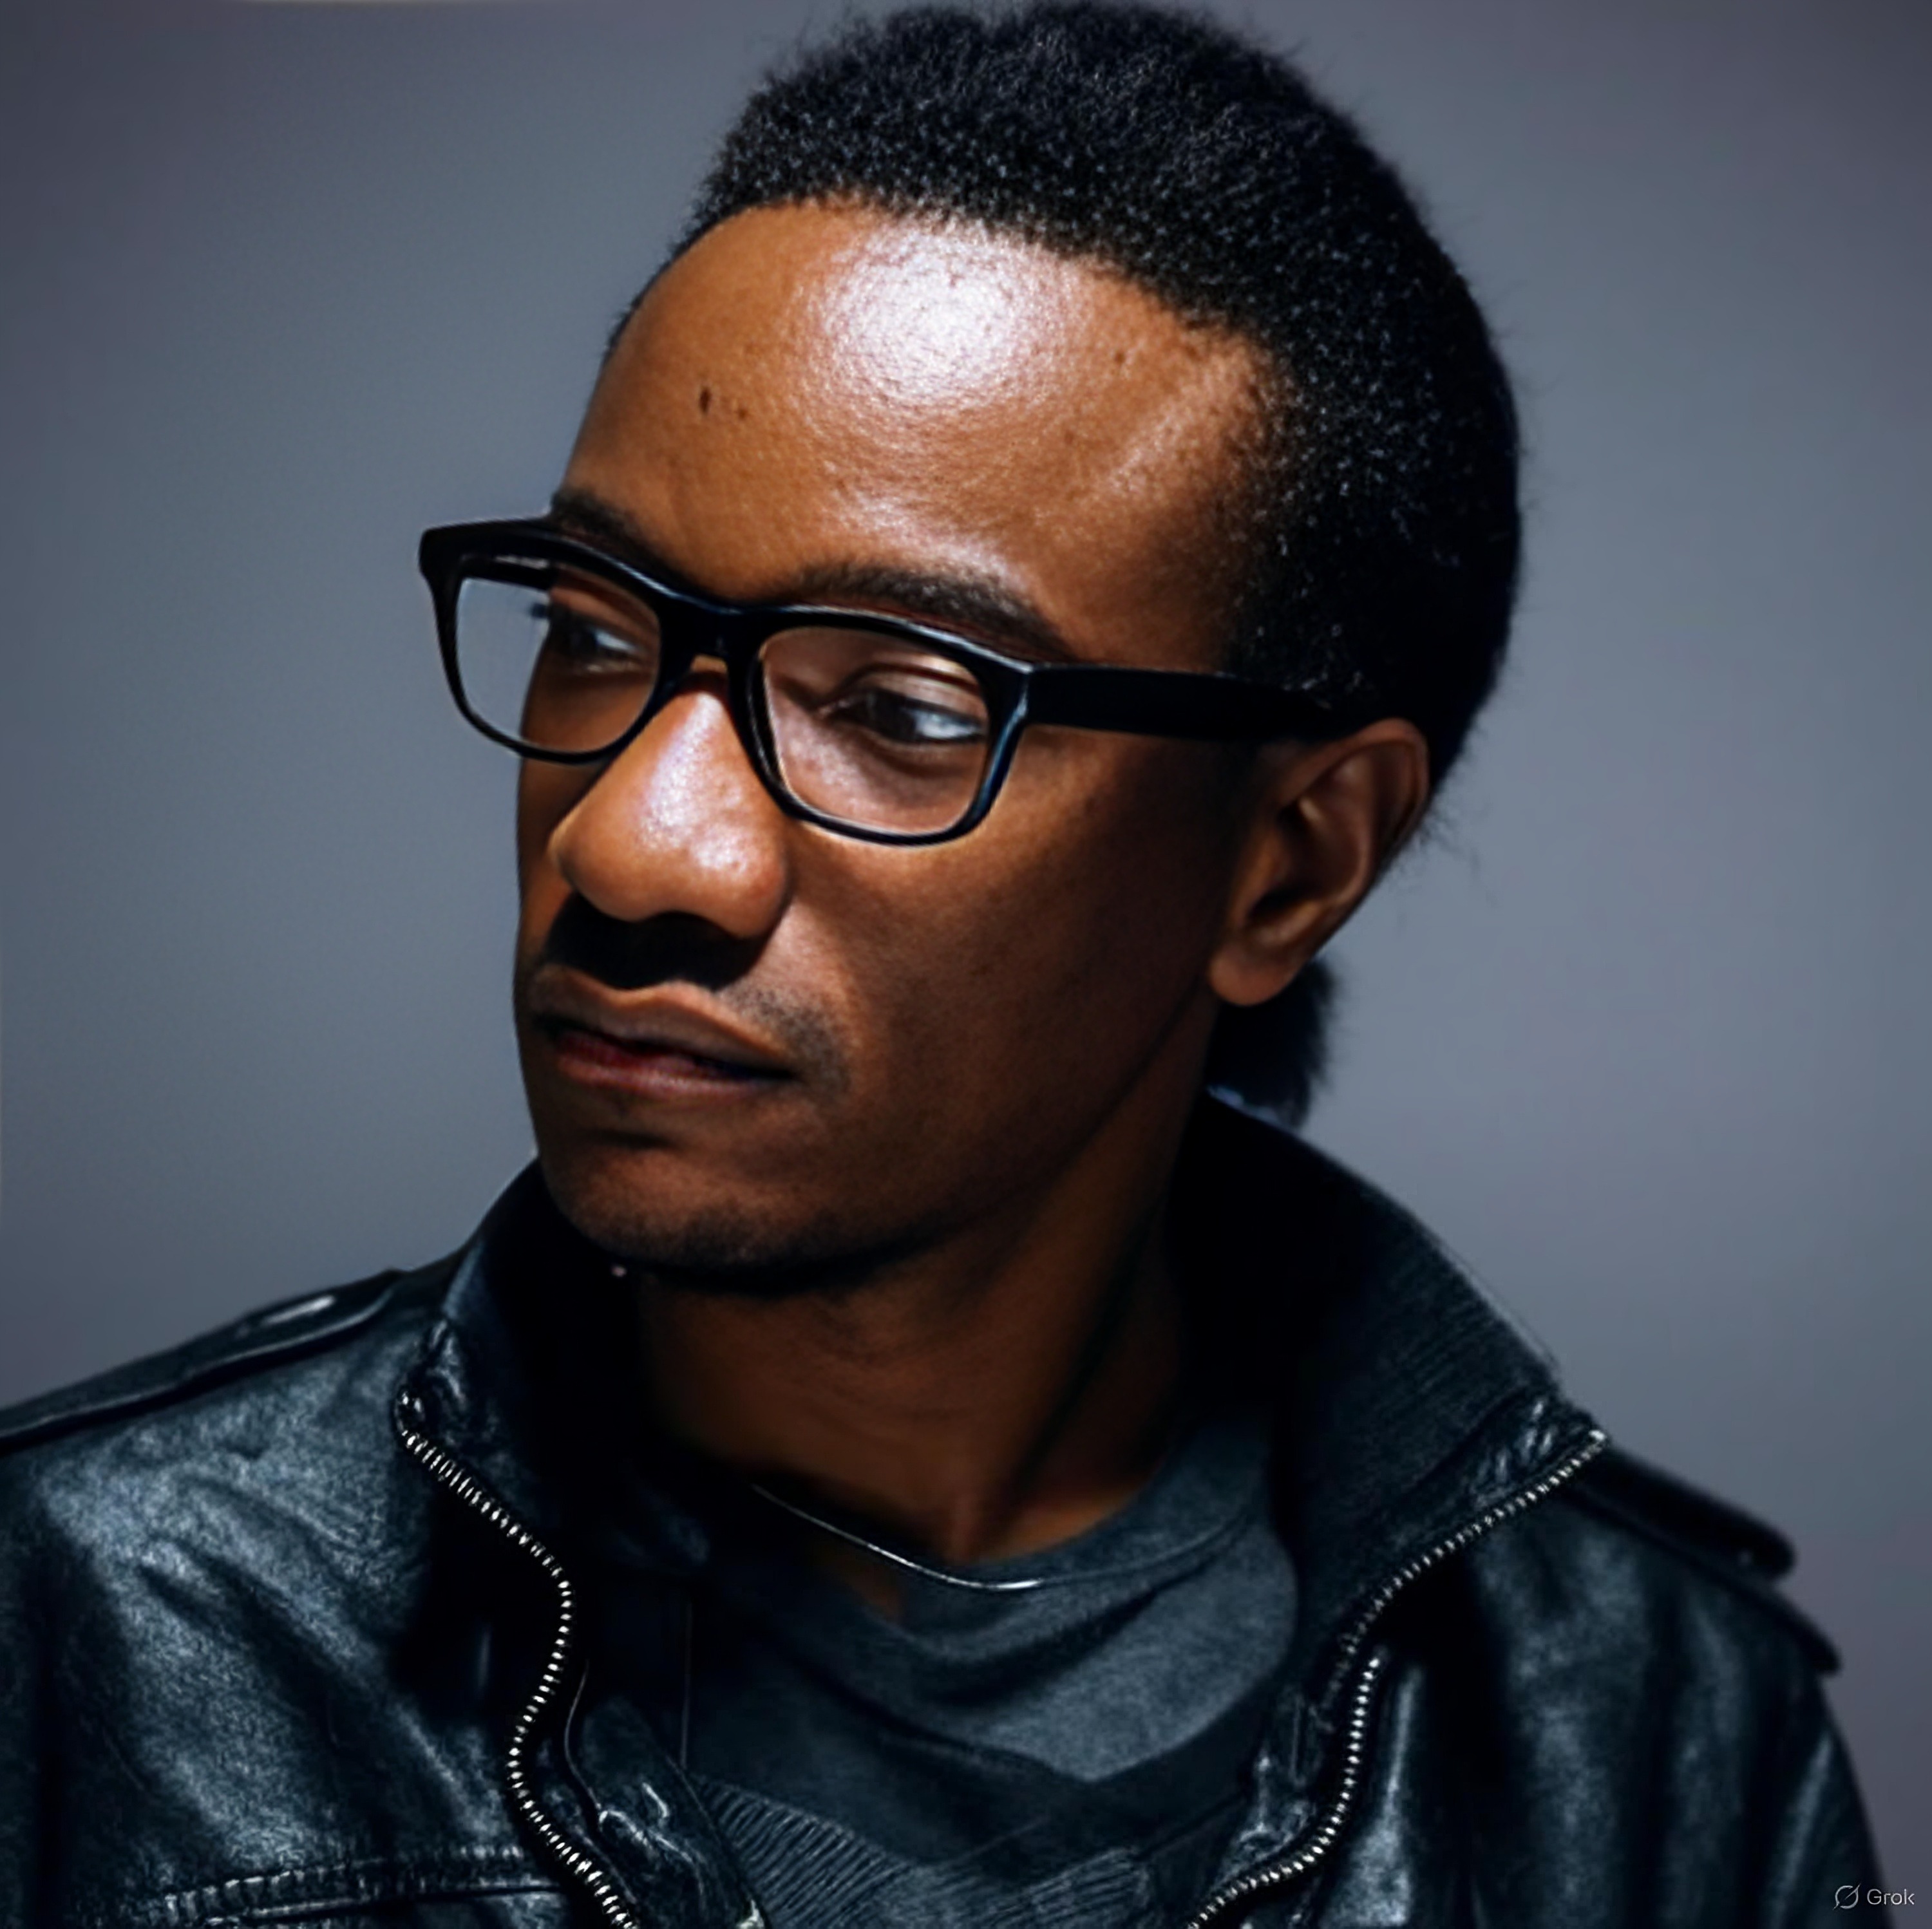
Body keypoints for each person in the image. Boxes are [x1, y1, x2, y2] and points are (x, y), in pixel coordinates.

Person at [0, 4, 1882, 1924]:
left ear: (1291, 863)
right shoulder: (89, 1630)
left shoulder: (1655, 1741)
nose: (633, 844)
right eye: (591, 629)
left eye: (901, 707)